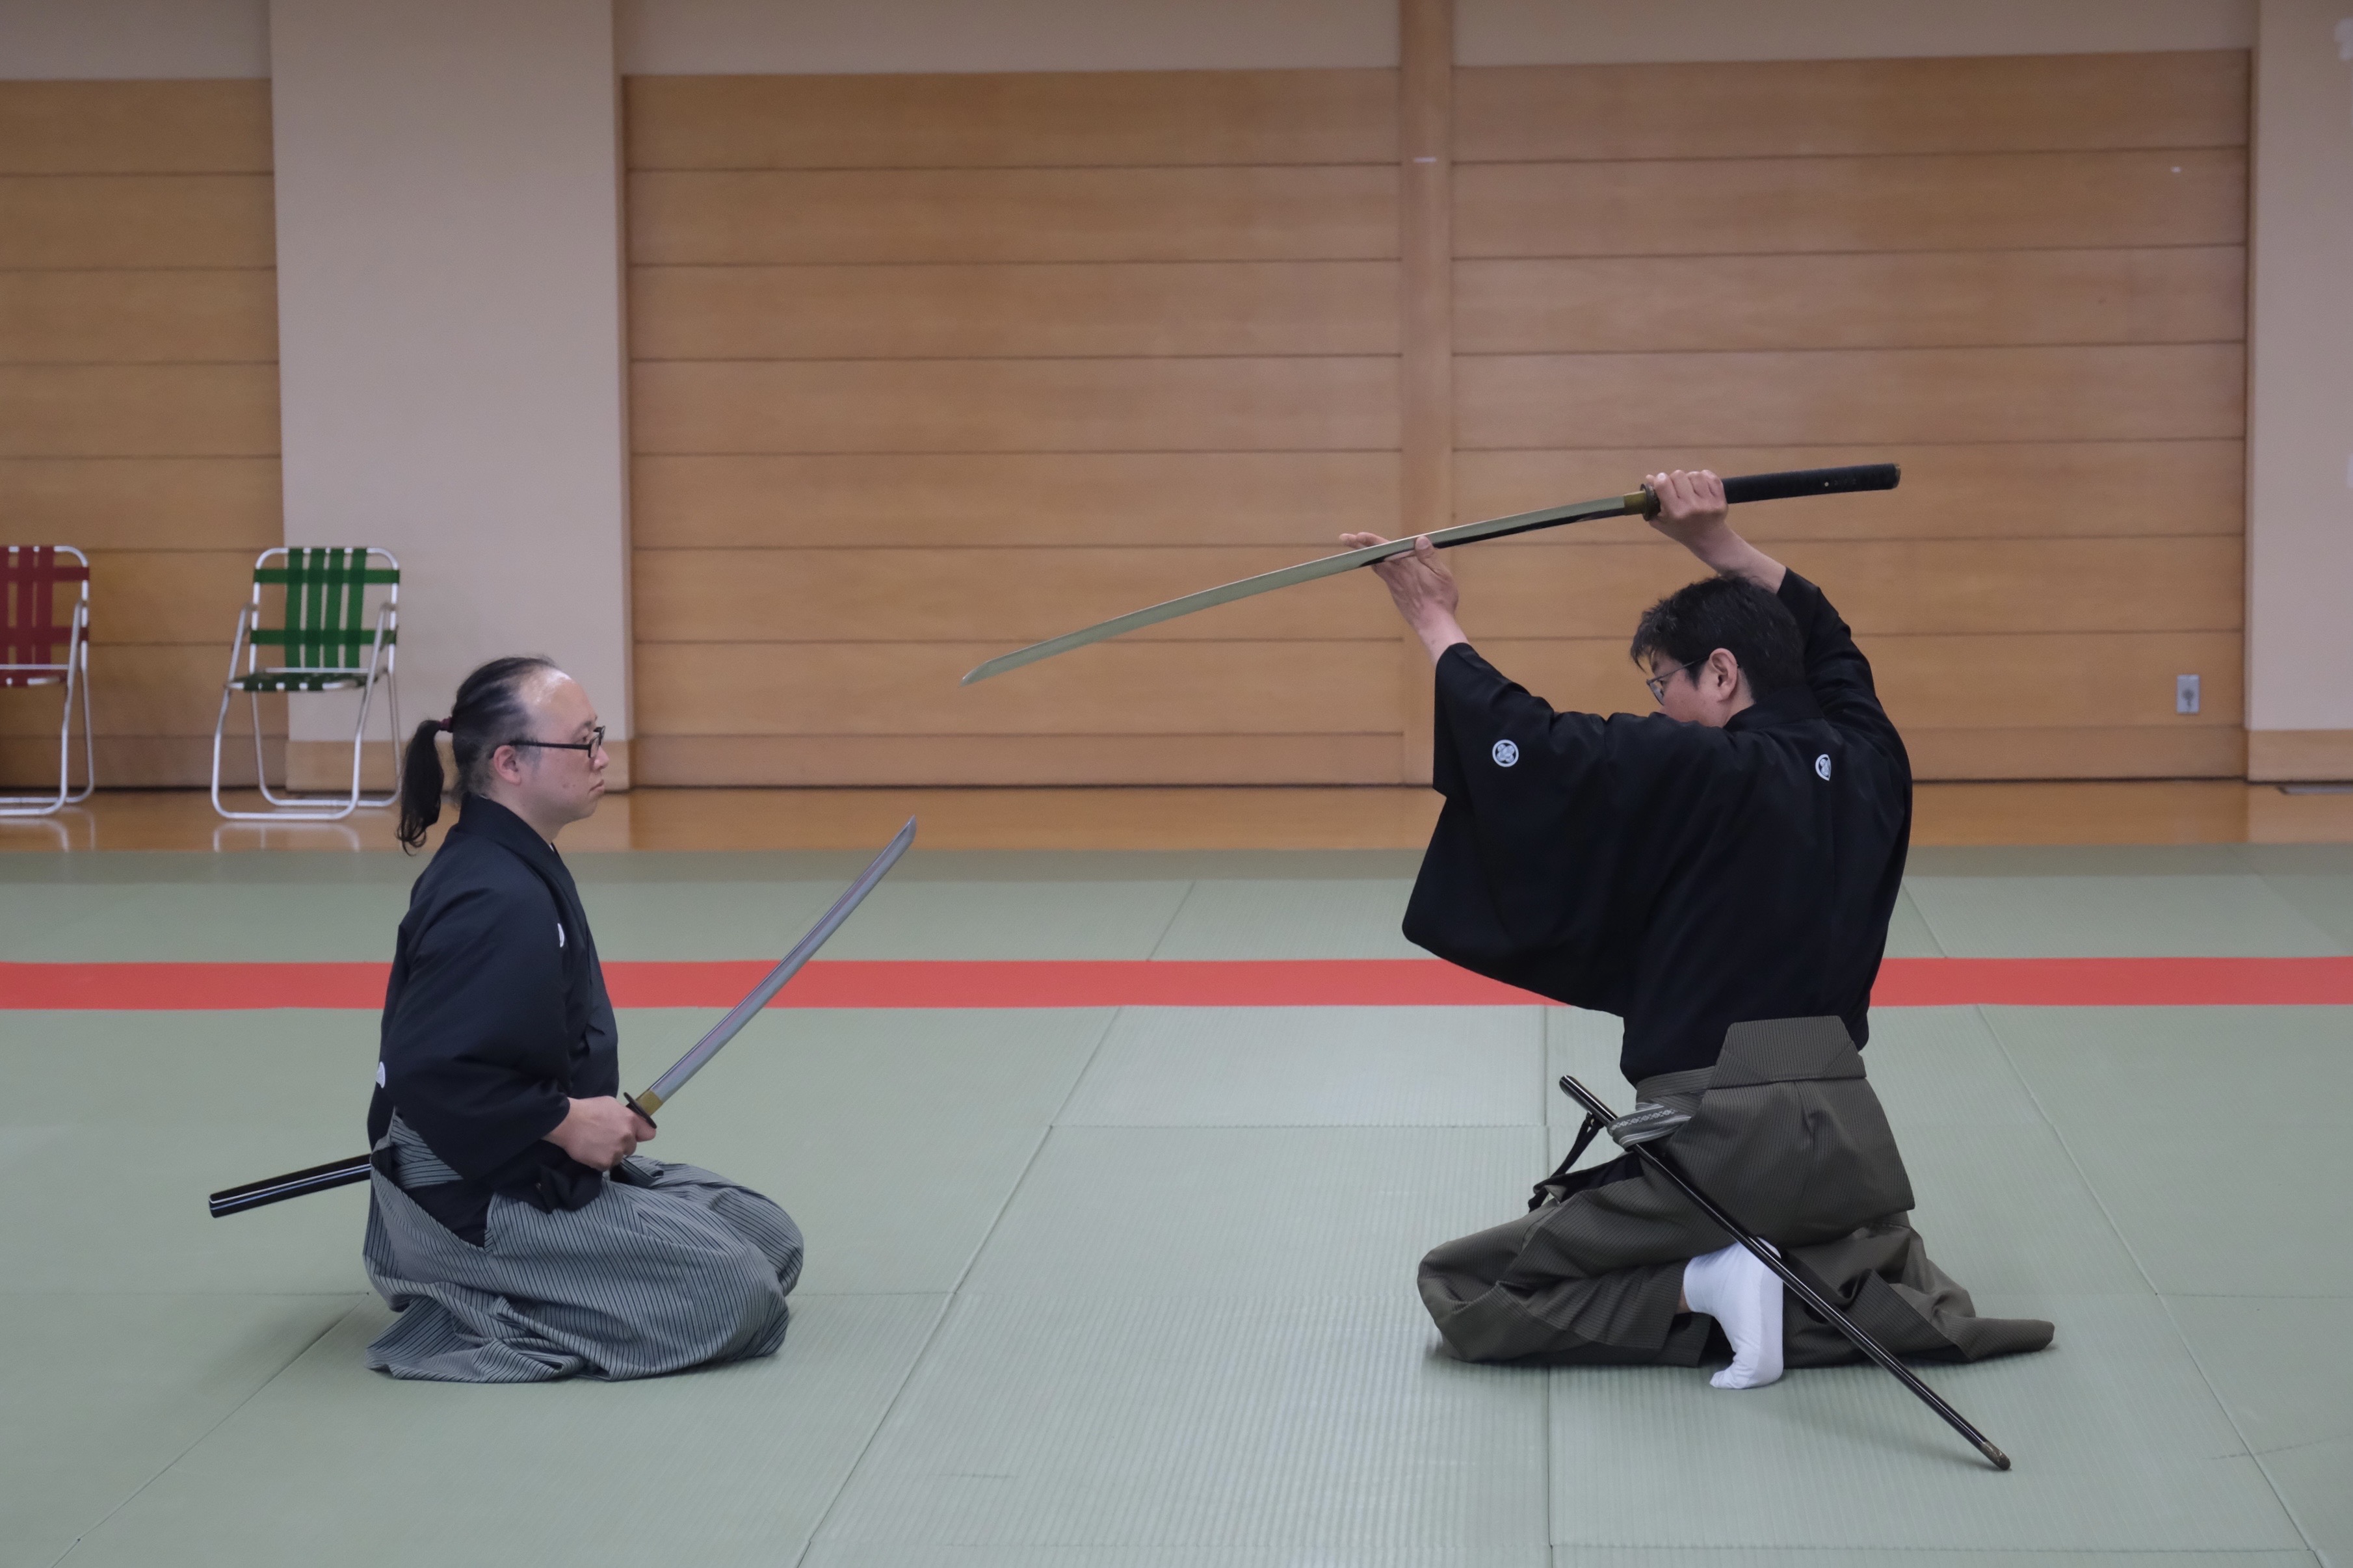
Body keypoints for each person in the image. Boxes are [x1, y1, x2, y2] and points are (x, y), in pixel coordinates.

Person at [1342, 471, 2051, 1385]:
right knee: (1856, 1284)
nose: (1657, 704)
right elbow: (1827, 638)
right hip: (1849, 1145)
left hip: (1716, 1137)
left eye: (1662, 681)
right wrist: (1712, 540)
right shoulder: (1872, 759)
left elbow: (1525, 744)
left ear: (1720, 672)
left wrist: (1433, 617)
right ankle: (1792, 1287)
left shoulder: (1692, 766)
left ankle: (1705, 1284)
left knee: (1466, 1287)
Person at [361, 655, 802, 1382]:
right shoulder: (491, 897)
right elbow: (427, 1071)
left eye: (598, 736)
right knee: (737, 1294)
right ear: (510, 763)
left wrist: (581, 1122)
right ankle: (462, 1303)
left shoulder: (517, 861)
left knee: (769, 1239)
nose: (601, 757)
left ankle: (552, 1278)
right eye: (583, 742)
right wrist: (564, 1121)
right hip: (466, 1194)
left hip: (528, 1161)